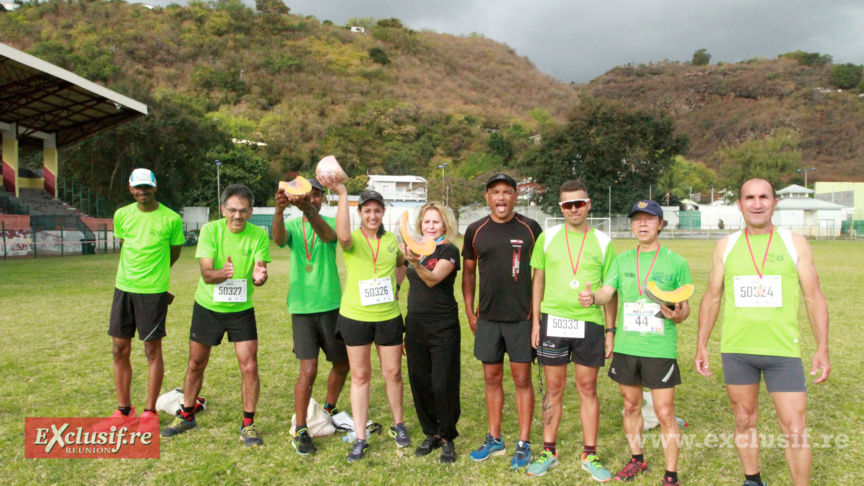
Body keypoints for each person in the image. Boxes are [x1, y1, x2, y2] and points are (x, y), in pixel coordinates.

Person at [695, 178, 830, 486]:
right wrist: (701, 344)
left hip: (782, 352)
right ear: (740, 204)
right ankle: (753, 480)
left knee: (794, 427)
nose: (757, 203)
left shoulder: (795, 243)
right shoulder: (725, 246)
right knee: (744, 420)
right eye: (750, 198)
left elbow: (814, 297)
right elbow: (712, 297)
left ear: (774, 202)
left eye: (764, 197)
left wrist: (822, 347)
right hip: (738, 351)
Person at [578, 200, 692, 486]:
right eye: (637, 220)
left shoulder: (676, 261)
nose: (642, 224)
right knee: (631, 405)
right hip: (627, 347)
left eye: (649, 219)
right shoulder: (622, 260)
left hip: (659, 347)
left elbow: (685, 308)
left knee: (665, 412)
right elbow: (607, 293)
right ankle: (637, 459)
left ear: (660, 224)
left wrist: (678, 314)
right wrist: (593, 298)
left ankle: (671, 474)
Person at [161, 184, 270, 448]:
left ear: (251, 212)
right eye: (232, 210)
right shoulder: (210, 230)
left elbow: (259, 269)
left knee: (250, 366)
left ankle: (248, 424)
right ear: (223, 210)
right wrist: (223, 272)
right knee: (196, 363)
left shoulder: (259, 235)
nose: (237, 216)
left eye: (243, 211)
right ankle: (186, 414)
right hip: (208, 307)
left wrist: (260, 276)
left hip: (241, 310)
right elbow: (207, 274)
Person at [526, 180, 617, 480]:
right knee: (554, 389)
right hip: (554, 322)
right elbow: (537, 280)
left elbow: (610, 290)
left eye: (579, 203)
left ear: (589, 204)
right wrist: (537, 322)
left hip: (589, 325)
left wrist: (610, 330)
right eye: (568, 205)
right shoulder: (548, 237)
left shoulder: (604, 242)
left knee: (587, 388)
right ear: (561, 207)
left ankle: (590, 455)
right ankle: (548, 451)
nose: (574, 209)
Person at [317, 176, 408, 463]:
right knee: (360, 376)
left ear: (383, 213)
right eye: (366, 210)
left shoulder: (393, 240)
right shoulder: (351, 240)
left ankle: (399, 424)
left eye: (377, 210)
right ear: (359, 213)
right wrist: (342, 192)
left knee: (392, 373)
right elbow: (341, 236)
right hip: (355, 317)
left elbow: (402, 264)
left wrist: (396, 288)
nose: (372, 215)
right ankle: (360, 437)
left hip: (388, 317)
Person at [462, 173, 543, 469]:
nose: (501, 198)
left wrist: (536, 314)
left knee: (522, 380)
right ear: (487, 196)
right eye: (495, 192)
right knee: (491, 378)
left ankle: (524, 443)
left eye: (507, 192)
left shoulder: (530, 228)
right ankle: (494, 439)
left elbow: (540, 275)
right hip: (488, 319)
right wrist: (470, 312)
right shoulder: (475, 230)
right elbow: (468, 273)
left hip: (522, 318)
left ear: (515, 196)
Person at [100, 168, 184, 433]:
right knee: (119, 348)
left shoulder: (170, 219)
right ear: (130, 188)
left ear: (155, 187)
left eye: (147, 186)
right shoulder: (122, 215)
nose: (142, 191)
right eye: (138, 187)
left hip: (153, 292)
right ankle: (124, 409)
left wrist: (156, 276)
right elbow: (125, 244)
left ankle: (149, 411)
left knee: (151, 351)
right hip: (123, 289)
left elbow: (174, 252)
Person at [272, 177, 350, 456]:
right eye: (307, 195)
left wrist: (309, 210)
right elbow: (278, 240)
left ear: (322, 197)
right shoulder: (292, 224)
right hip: (302, 308)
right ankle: (302, 428)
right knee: (309, 370)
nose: (312, 198)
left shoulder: (328, 219)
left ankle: (328, 409)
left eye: (316, 194)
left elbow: (329, 237)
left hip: (330, 303)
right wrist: (279, 211)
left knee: (342, 363)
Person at [400, 202, 462, 464]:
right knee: (420, 381)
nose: (430, 226)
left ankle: (447, 437)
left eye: (435, 221)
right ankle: (431, 433)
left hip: (443, 325)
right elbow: (412, 288)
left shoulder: (449, 250)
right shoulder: (413, 250)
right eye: (426, 222)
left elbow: (434, 278)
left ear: (445, 224)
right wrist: (406, 326)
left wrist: (415, 263)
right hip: (416, 325)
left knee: (443, 382)